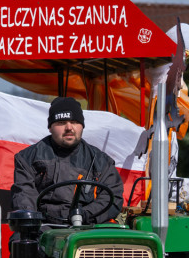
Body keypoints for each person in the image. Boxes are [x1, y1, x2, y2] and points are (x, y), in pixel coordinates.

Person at [11, 96, 123, 224]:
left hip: (87, 226)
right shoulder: (27, 158)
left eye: (74, 122)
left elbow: (113, 197)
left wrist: (85, 214)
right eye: (61, 122)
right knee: (23, 239)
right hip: (44, 227)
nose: (69, 127)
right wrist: (30, 219)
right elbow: (24, 195)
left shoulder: (102, 162)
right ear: (50, 127)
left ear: (82, 126)